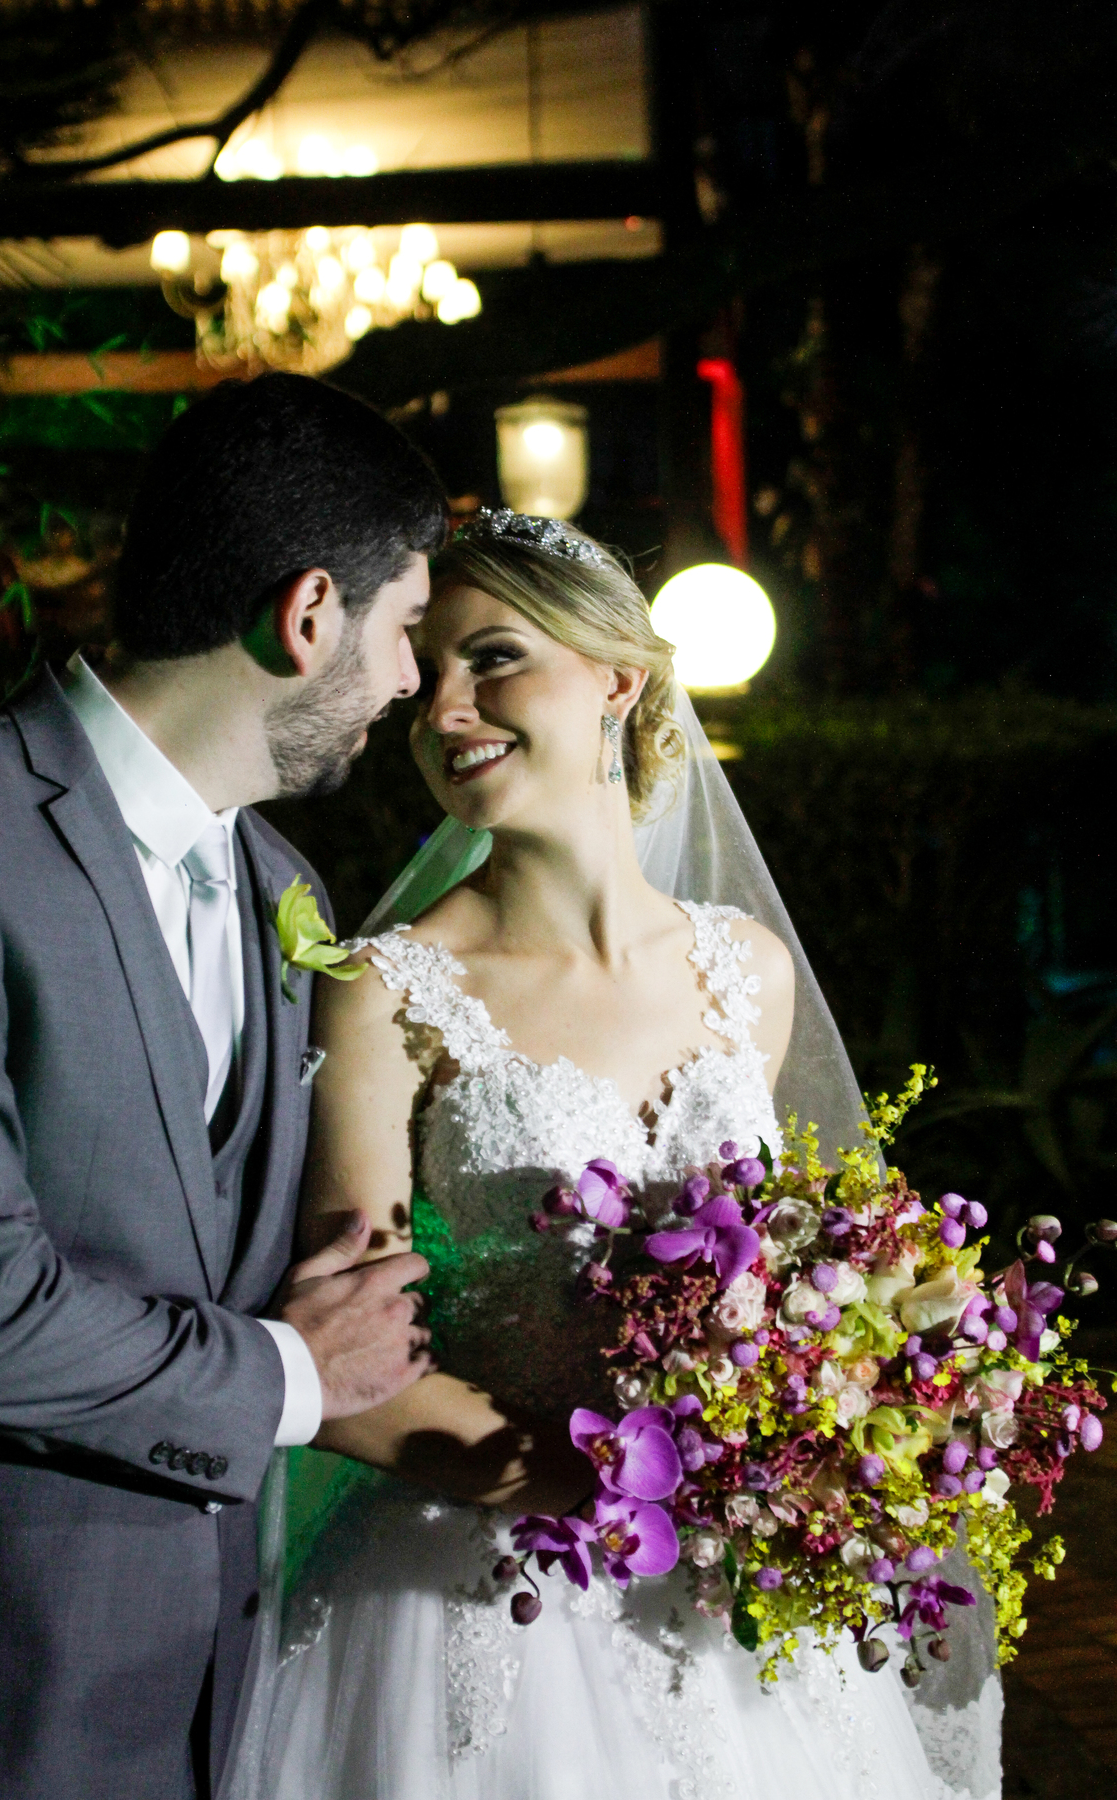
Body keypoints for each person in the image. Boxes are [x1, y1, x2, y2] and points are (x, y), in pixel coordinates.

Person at [247, 510, 1002, 1800]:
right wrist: (628, 1492)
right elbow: (348, 1361)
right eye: (425, 670)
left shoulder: (744, 976)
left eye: (492, 658)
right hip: (493, 1593)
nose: (447, 707)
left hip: (742, 1604)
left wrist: (858, 1412)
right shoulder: (388, 992)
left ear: (617, 676)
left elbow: (816, 1285)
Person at [0, 374, 446, 1800]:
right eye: (405, 631)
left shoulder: (285, 887)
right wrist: (287, 1372)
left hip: (217, 1689)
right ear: (312, 612)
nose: (410, 685)